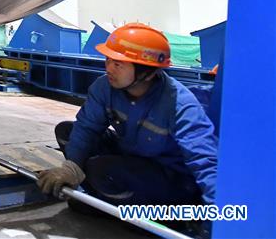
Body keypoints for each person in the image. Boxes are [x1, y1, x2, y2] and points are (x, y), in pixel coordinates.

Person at [37, 23, 218, 209]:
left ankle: (161, 217)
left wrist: (219, 214)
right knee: (67, 131)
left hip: (169, 176)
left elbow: (204, 160)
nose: (109, 68)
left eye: (118, 64)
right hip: (132, 156)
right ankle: (99, 197)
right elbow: (86, 127)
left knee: (100, 169)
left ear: (147, 72)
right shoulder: (105, 87)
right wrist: (71, 167)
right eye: (107, 60)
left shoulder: (179, 104)